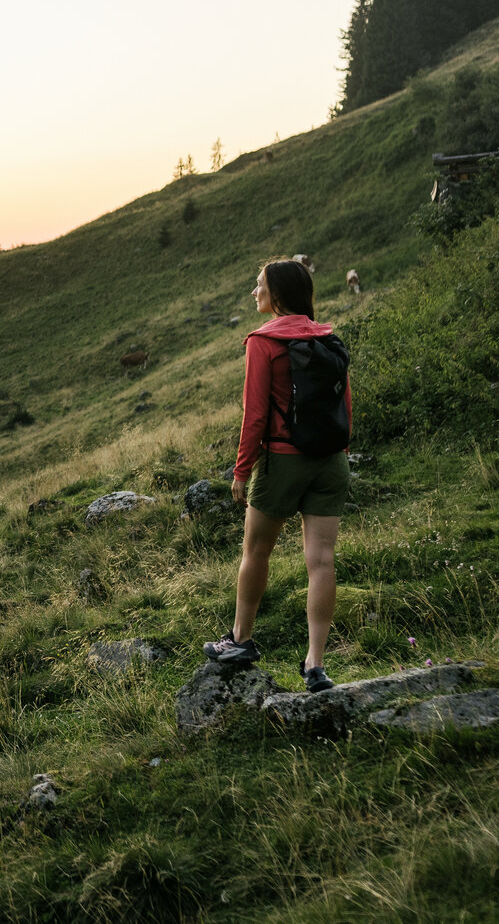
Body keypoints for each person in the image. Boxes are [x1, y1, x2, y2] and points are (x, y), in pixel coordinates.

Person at [203, 258, 352, 693]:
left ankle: (240, 640)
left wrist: (241, 470)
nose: (254, 292)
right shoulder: (329, 337)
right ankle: (315, 665)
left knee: (256, 551)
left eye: (259, 284)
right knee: (322, 562)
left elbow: (255, 415)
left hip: (282, 460)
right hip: (331, 460)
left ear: (278, 295)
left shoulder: (262, 341)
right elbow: (345, 404)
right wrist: (339, 453)